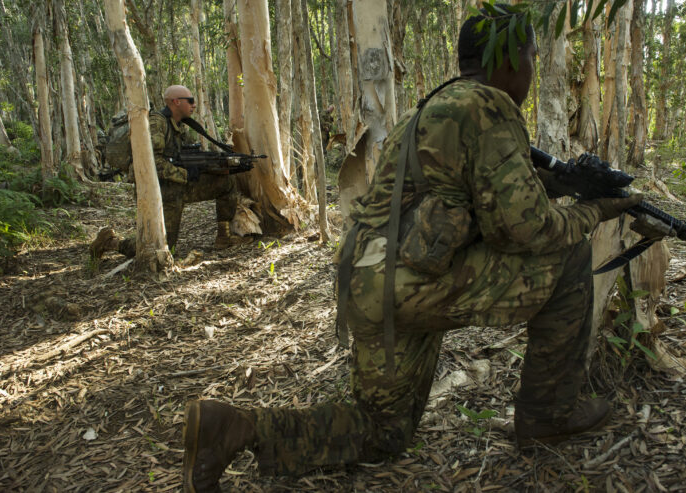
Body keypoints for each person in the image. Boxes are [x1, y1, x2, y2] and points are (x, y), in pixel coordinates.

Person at [181, 6, 642, 490]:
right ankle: (548, 412)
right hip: (413, 282)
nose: (531, 68)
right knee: (569, 256)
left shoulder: (428, 110)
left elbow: (476, 197)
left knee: (382, 429)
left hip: (369, 280)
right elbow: (526, 231)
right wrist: (596, 211)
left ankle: (231, 428)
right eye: (530, 55)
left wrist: (556, 183)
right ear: (506, 60)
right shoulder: (489, 106)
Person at [90, 85, 247, 259]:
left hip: (176, 185)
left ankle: (223, 237)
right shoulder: (158, 123)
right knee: (160, 247)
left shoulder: (178, 125)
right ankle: (111, 242)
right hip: (158, 191)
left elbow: (181, 156)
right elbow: (152, 163)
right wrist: (186, 175)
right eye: (191, 101)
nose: (194, 105)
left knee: (225, 183)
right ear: (176, 102)